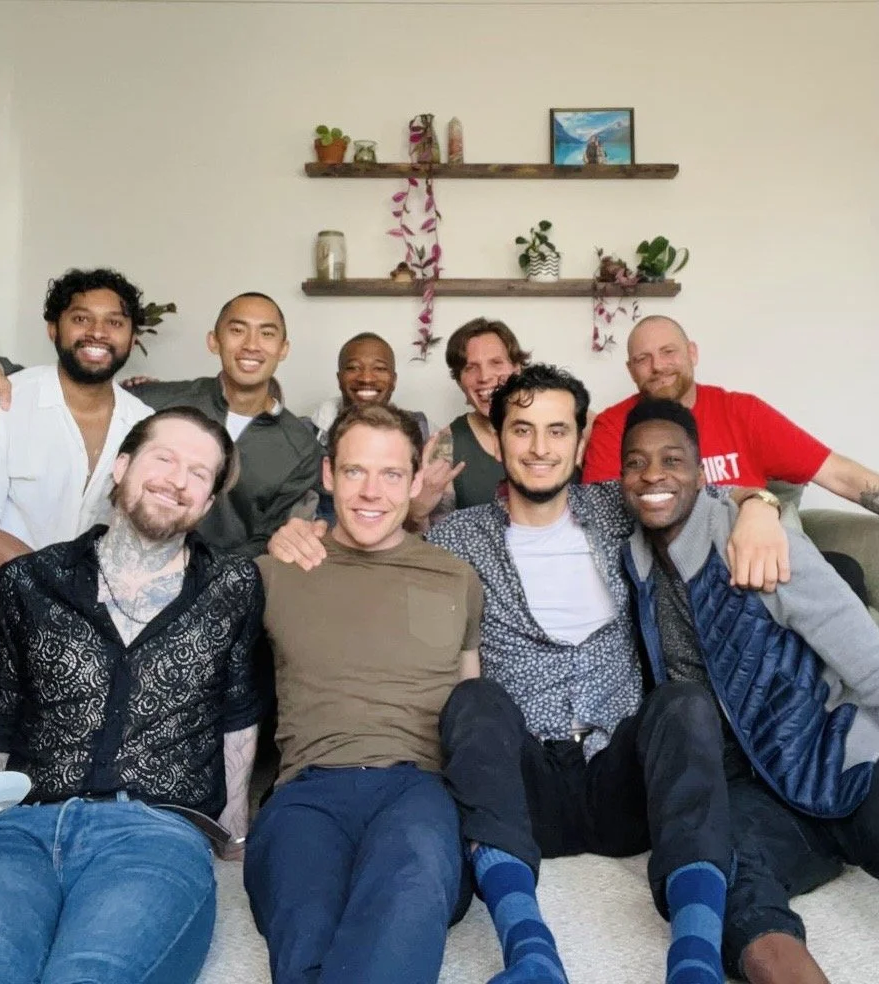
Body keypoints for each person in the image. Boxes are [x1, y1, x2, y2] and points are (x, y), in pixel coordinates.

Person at [267, 365, 789, 984]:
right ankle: (531, 954)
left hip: (619, 777)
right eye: (522, 429)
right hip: (522, 788)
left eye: (557, 431)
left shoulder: (614, 510)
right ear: (498, 436)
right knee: (474, 699)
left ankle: (696, 961)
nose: (540, 447)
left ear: (579, 440)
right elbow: (372, 534)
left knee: (683, 702)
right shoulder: (457, 539)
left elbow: (688, 491)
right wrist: (296, 531)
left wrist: (758, 503)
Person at [0, 406, 263, 984]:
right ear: (121, 467)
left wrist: (235, 836)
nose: (178, 479)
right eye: (164, 457)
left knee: (91, 974)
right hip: (22, 827)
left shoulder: (232, 587)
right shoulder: (29, 580)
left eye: (200, 473)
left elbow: (236, 712)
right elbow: (0, 715)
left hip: (156, 832)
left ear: (208, 501)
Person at [619, 397, 879, 984]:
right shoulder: (631, 559)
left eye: (671, 460)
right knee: (726, 888)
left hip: (837, 755)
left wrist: (758, 506)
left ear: (703, 470)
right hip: (745, 793)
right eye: (636, 462)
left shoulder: (755, 542)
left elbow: (868, 660)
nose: (653, 474)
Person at [247, 402, 481, 984]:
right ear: (328, 475)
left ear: (416, 480)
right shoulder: (277, 569)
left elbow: (472, 708)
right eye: (355, 472)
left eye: (391, 474)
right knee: (305, 921)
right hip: (307, 787)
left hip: (417, 785)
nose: (371, 492)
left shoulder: (455, 576)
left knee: (412, 878)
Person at [0, 268, 153, 786]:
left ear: (132, 337)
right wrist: (62, 587)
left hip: (82, 591)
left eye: (115, 322)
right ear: (53, 329)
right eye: (81, 318)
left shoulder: (144, 426)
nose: (98, 332)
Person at [0, 291, 322, 558]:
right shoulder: (157, 403)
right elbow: (80, 383)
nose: (252, 345)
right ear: (214, 341)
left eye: (267, 333)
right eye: (238, 330)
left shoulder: (302, 445)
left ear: (283, 348)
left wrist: (211, 576)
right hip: (140, 567)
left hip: (228, 578)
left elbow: (272, 535)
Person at [582, 315, 879, 515]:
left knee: (846, 570)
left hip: (760, 548)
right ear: (630, 370)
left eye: (668, 352)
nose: (658, 366)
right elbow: (606, 517)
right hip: (675, 571)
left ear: (692, 353)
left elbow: (840, 475)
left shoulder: (742, 412)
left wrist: (759, 514)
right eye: (642, 359)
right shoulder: (614, 425)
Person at [407, 317, 531, 531]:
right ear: (459, 382)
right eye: (470, 368)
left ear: (517, 369)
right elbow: (436, 545)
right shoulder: (446, 445)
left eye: (496, 363)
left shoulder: (565, 423)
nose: (484, 376)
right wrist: (417, 512)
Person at [309, 332, 430, 523]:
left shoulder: (425, 433)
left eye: (379, 368)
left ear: (394, 380)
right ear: (339, 378)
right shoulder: (307, 435)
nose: (366, 378)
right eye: (354, 368)